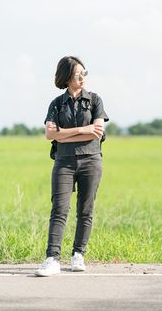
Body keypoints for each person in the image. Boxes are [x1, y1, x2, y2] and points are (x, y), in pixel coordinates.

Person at [35, 56, 109, 277]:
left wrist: (63, 134)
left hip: (91, 160)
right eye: (78, 74)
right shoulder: (57, 104)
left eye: (84, 73)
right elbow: (49, 135)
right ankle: (52, 259)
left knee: (85, 210)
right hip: (64, 162)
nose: (82, 77)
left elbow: (98, 131)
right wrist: (82, 130)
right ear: (67, 77)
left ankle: (78, 254)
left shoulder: (95, 100)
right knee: (59, 209)